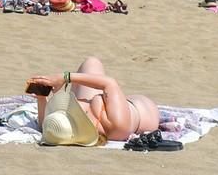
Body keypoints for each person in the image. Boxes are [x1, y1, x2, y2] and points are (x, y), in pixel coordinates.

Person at [26, 58, 162, 142]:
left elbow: (45, 126)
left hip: (112, 107)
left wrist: (41, 98)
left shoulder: (65, 128)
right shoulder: (116, 126)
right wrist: (65, 77)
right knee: (92, 64)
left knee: (91, 63)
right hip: (144, 110)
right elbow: (110, 83)